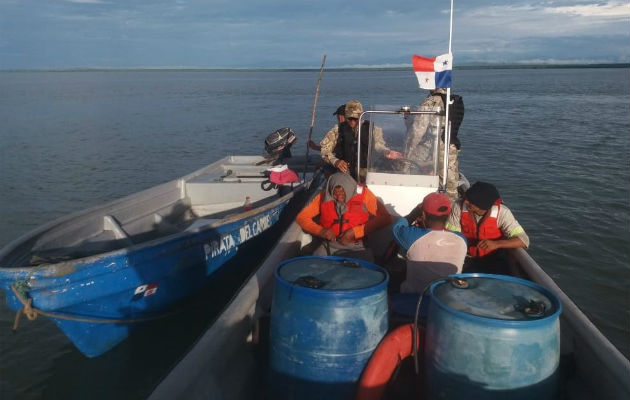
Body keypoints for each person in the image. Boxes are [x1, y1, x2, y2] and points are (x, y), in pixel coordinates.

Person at [296, 172, 392, 262]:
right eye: (335, 194)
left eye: (342, 194)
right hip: (329, 244)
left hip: (357, 246)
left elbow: (386, 218)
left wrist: (355, 232)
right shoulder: (324, 195)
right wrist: (321, 231)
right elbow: (302, 217)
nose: (339, 198)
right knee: (312, 270)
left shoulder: (365, 194)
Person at [446, 181, 529, 273]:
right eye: (466, 198)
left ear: (482, 205)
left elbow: (524, 240)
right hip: (465, 258)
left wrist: (496, 244)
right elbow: (453, 236)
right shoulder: (458, 207)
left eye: (470, 200)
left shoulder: (503, 213)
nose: (466, 201)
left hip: (493, 260)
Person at [392, 192, 467, 293]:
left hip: (415, 298)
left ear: (423, 214)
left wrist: (413, 214)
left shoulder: (411, 237)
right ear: (449, 214)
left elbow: (396, 228)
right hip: (446, 298)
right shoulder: (462, 239)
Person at [320, 100, 402, 181]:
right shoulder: (337, 130)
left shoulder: (373, 129)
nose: (352, 122)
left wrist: (386, 152)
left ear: (361, 116)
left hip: (368, 172)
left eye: (355, 118)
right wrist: (335, 161)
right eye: (350, 118)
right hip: (345, 172)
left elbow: (378, 145)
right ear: (346, 116)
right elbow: (324, 150)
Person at [404, 88, 463, 200]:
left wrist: (408, 151)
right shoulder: (455, 100)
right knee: (449, 185)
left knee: (408, 167)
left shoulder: (431, 102)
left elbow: (417, 130)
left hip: (432, 145)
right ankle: (449, 210)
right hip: (450, 146)